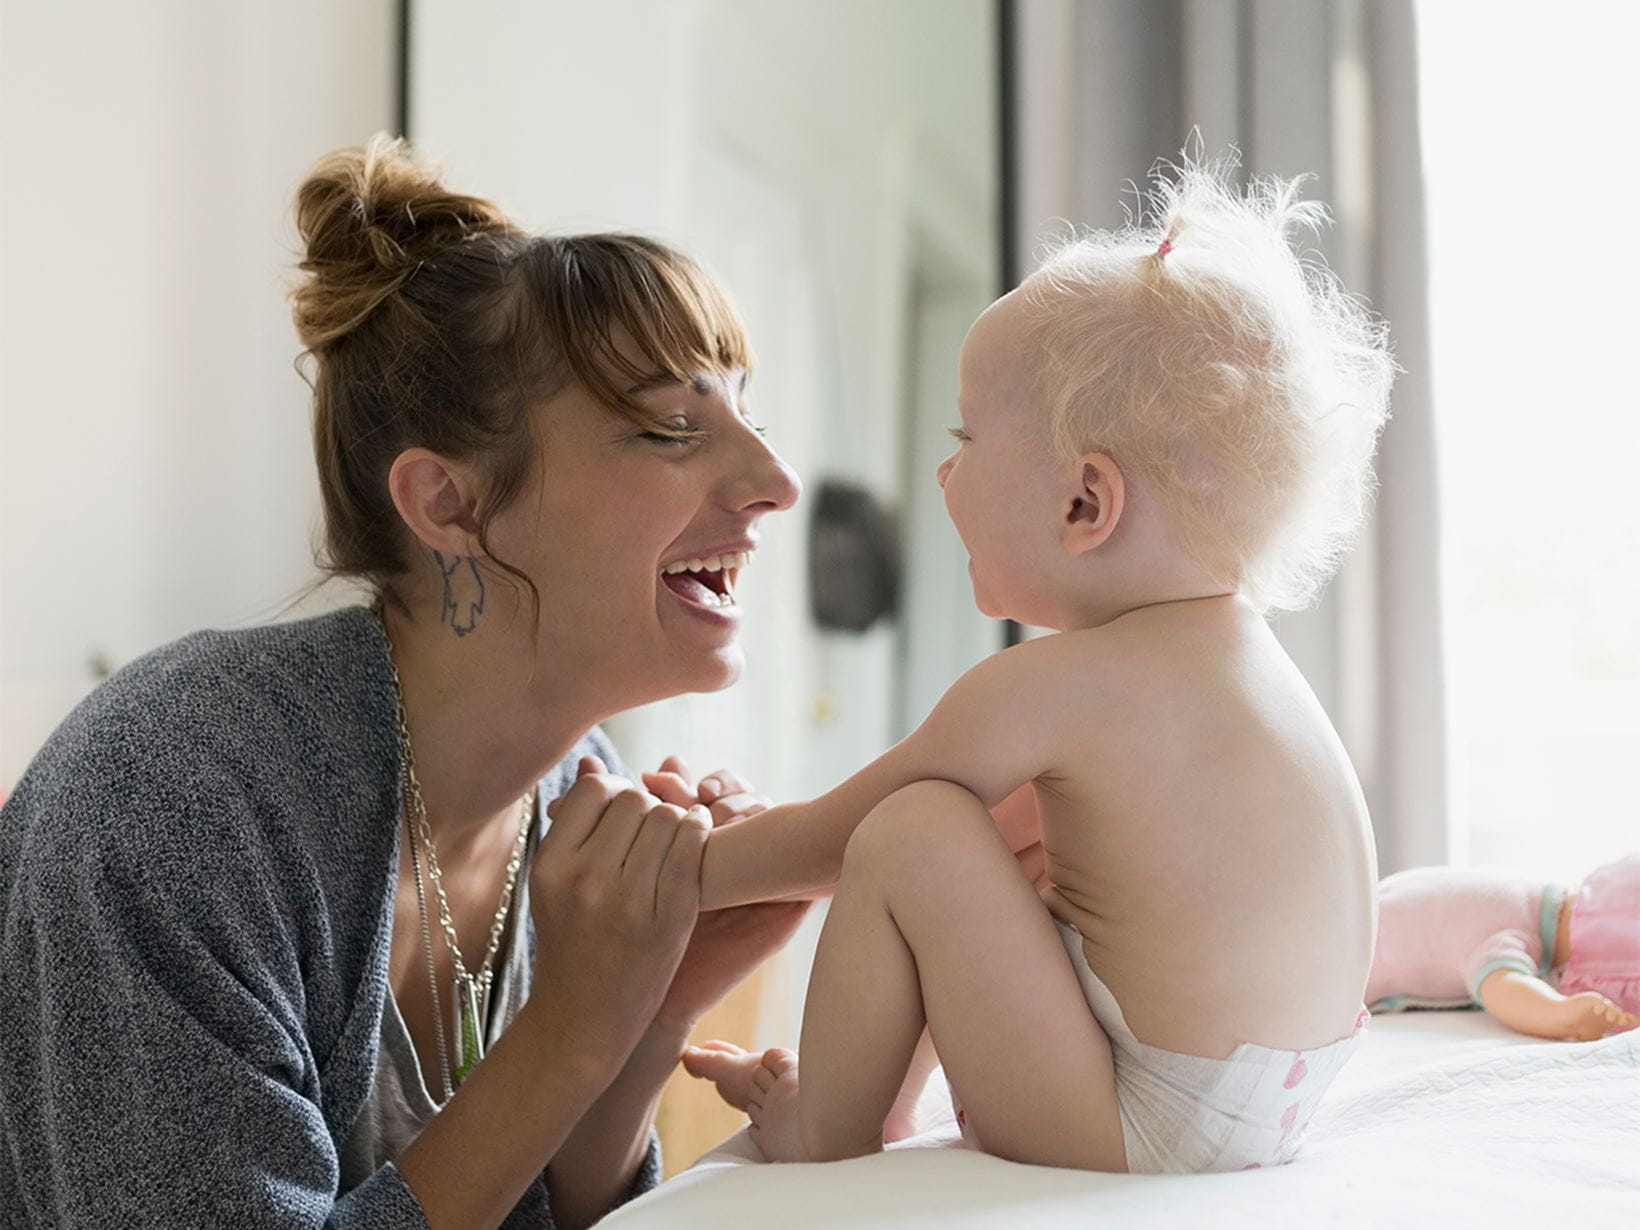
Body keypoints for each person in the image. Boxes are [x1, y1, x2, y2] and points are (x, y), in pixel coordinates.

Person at [0, 135, 807, 1229]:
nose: (773, 482)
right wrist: (569, 1025)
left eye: (746, 417)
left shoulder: (576, 788)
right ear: (447, 504)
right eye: (672, 427)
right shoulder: (168, 802)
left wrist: (642, 1018)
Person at [683, 157, 1394, 1174]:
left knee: (913, 829)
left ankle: (826, 1123)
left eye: (964, 436)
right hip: (1260, 1106)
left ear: (1082, 504)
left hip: (1143, 1118)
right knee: (995, 844)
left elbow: (843, 840)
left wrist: (683, 874)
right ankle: (879, 1091)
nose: (941, 470)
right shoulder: (1239, 670)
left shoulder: (1056, 688)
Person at [1367, 854, 1640, 1038]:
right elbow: (1502, 987)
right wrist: (1560, 1013)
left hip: (1369, 902)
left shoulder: (1526, 895)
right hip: (1346, 964)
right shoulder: (1510, 934)